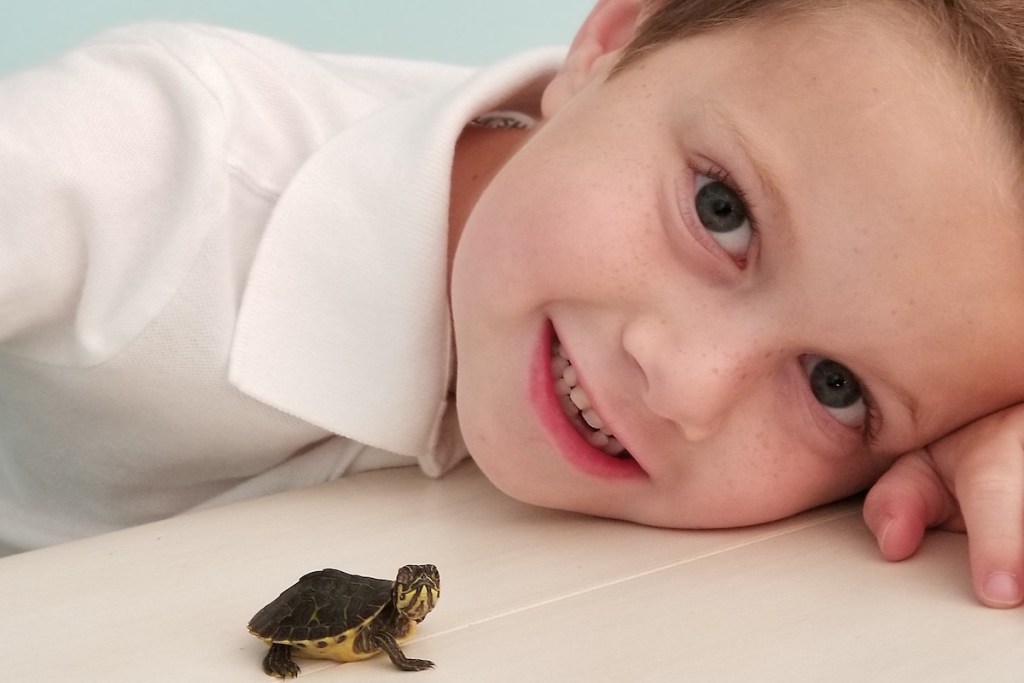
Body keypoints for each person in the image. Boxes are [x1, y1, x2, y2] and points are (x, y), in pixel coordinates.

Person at [2, 0, 1024, 610]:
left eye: (834, 385)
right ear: (612, 40)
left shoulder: (921, 326)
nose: (688, 385)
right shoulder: (140, 164)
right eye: (720, 212)